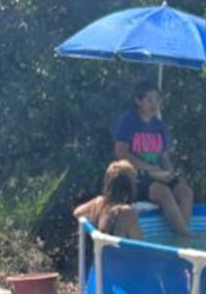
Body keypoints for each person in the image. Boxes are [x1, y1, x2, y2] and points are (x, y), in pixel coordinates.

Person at [112, 84, 194, 238]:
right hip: (136, 177)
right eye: (149, 100)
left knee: (185, 192)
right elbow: (121, 152)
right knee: (164, 192)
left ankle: (179, 235)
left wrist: (171, 173)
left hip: (158, 173)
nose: (154, 104)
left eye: (157, 99)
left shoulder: (159, 126)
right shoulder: (128, 121)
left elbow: (164, 156)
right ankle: (185, 236)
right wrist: (151, 170)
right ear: (138, 100)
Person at [74, 160, 142, 239]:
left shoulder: (98, 202)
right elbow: (140, 243)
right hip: (117, 251)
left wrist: (92, 226)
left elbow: (77, 212)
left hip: (100, 250)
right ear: (130, 185)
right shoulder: (125, 212)